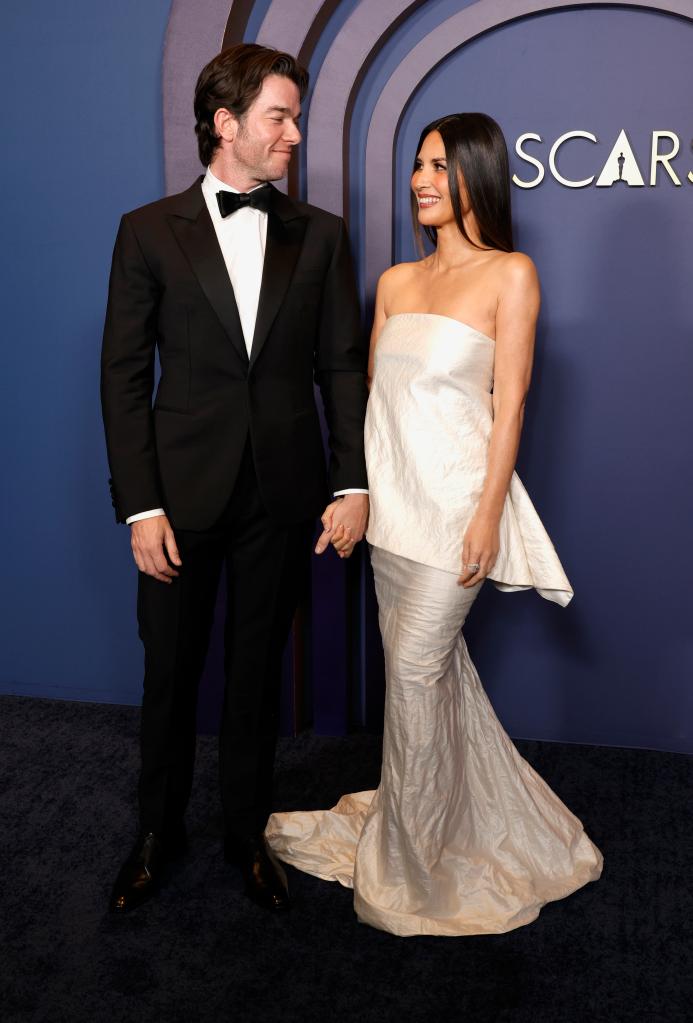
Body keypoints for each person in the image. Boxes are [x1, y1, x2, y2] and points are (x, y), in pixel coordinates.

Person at [266, 113, 603, 936]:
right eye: (417, 164)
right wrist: (357, 498)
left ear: (476, 175)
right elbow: (369, 406)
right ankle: (454, 818)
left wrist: (486, 516)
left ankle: (412, 866)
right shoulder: (393, 283)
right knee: (431, 680)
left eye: (438, 166)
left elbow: (510, 403)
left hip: (456, 514)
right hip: (393, 518)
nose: (420, 179)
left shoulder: (510, 274)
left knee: (414, 679)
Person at [101, 43, 369, 915]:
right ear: (227, 123)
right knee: (170, 674)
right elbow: (124, 376)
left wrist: (351, 483)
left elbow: (341, 369)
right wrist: (141, 505)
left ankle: (244, 833)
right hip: (177, 499)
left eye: (295, 116)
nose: (294, 133)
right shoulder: (147, 229)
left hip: (283, 498)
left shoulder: (321, 234)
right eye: (279, 117)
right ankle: (156, 833)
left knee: (255, 675)